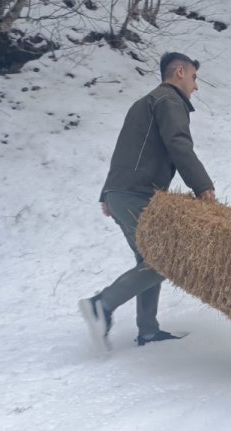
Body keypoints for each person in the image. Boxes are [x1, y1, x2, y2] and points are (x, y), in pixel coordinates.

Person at [79, 52, 215, 351]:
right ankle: (102, 305)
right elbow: (178, 144)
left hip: (123, 193)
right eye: (194, 77)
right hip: (136, 194)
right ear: (179, 72)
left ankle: (149, 330)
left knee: (150, 260)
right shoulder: (169, 100)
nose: (196, 86)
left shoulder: (145, 102)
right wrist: (202, 185)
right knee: (166, 260)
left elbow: (124, 149)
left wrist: (109, 192)